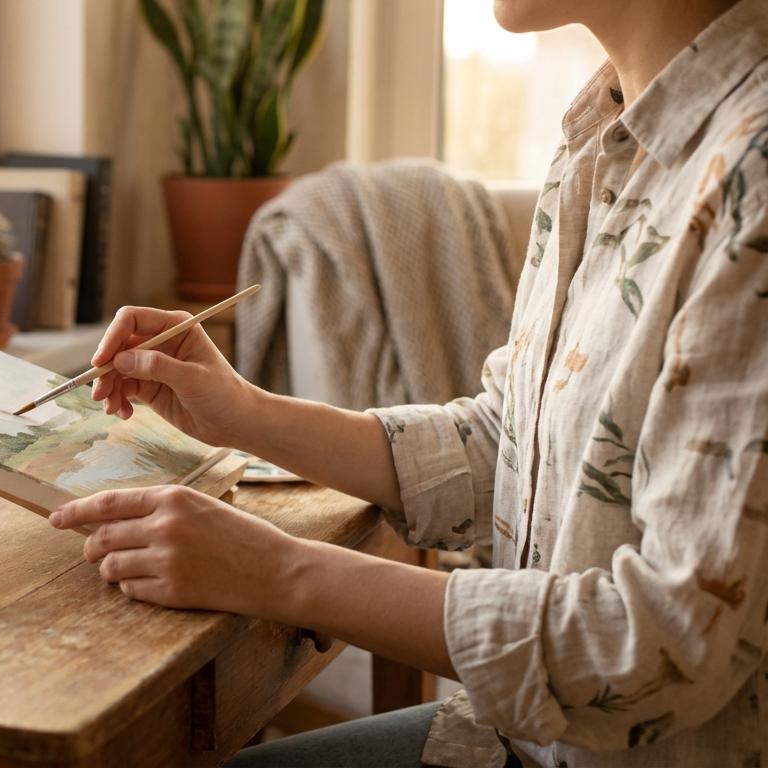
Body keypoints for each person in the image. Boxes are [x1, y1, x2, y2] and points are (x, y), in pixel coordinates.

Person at [48, 0, 768, 765]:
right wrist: (245, 414)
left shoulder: (751, 180)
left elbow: (662, 642)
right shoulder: (603, 134)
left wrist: (277, 571)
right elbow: (508, 440)